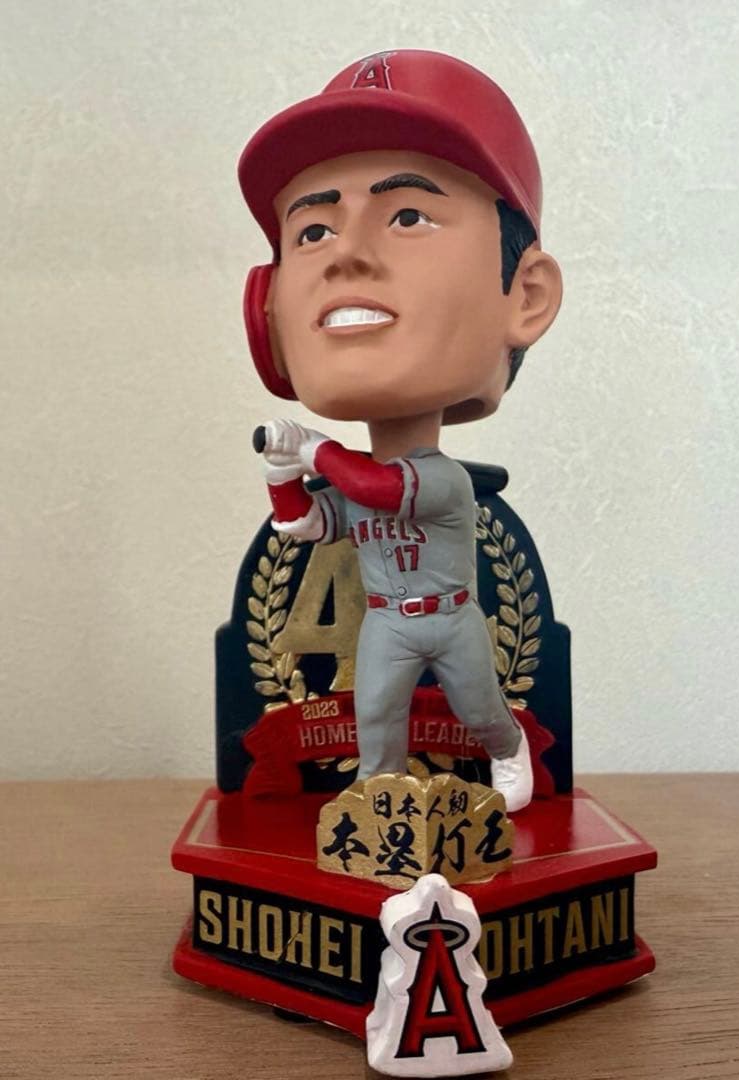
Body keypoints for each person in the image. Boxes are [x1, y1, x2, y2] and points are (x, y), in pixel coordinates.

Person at [239, 50, 562, 811]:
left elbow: (375, 486)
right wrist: (282, 472)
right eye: (312, 230)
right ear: (269, 309)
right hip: (388, 622)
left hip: (451, 622)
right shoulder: (346, 473)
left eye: (408, 216)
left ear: (525, 295)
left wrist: (311, 447)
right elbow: (305, 525)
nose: (347, 252)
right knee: (375, 718)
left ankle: (508, 751)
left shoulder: (440, 480)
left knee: (480, 709)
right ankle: (378, 800)